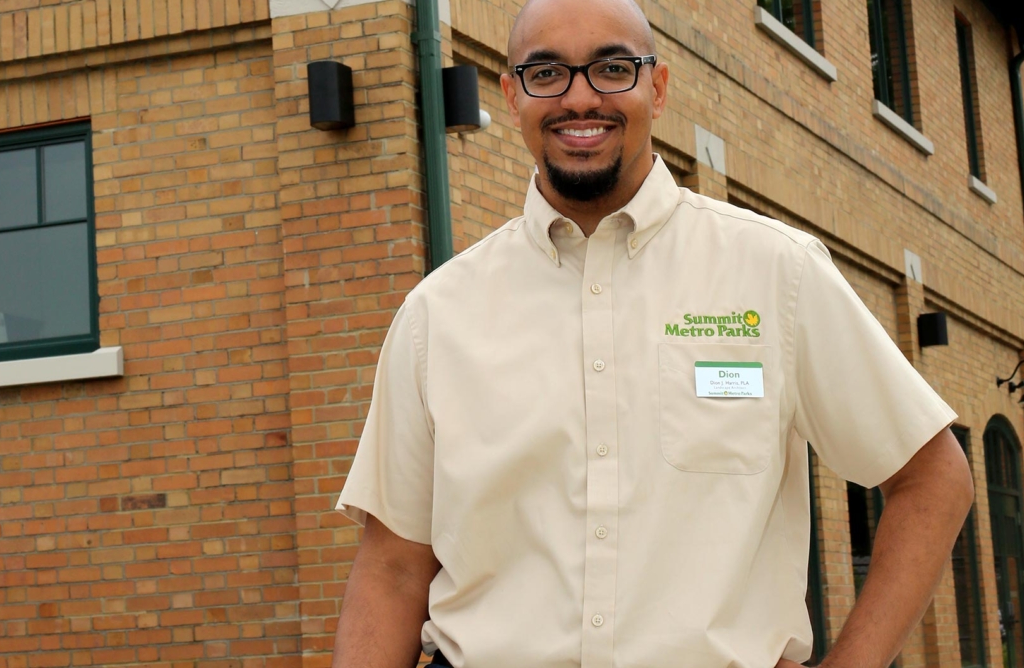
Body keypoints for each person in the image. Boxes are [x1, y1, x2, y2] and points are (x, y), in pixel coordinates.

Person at [331, 0, 974, 664]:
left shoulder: (775, 273)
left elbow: (933, 478)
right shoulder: (438, 316)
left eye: (612, 68)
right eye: (546, 73)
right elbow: (392, 568)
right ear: (511, 94)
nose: (580, 99)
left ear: (657, 88)